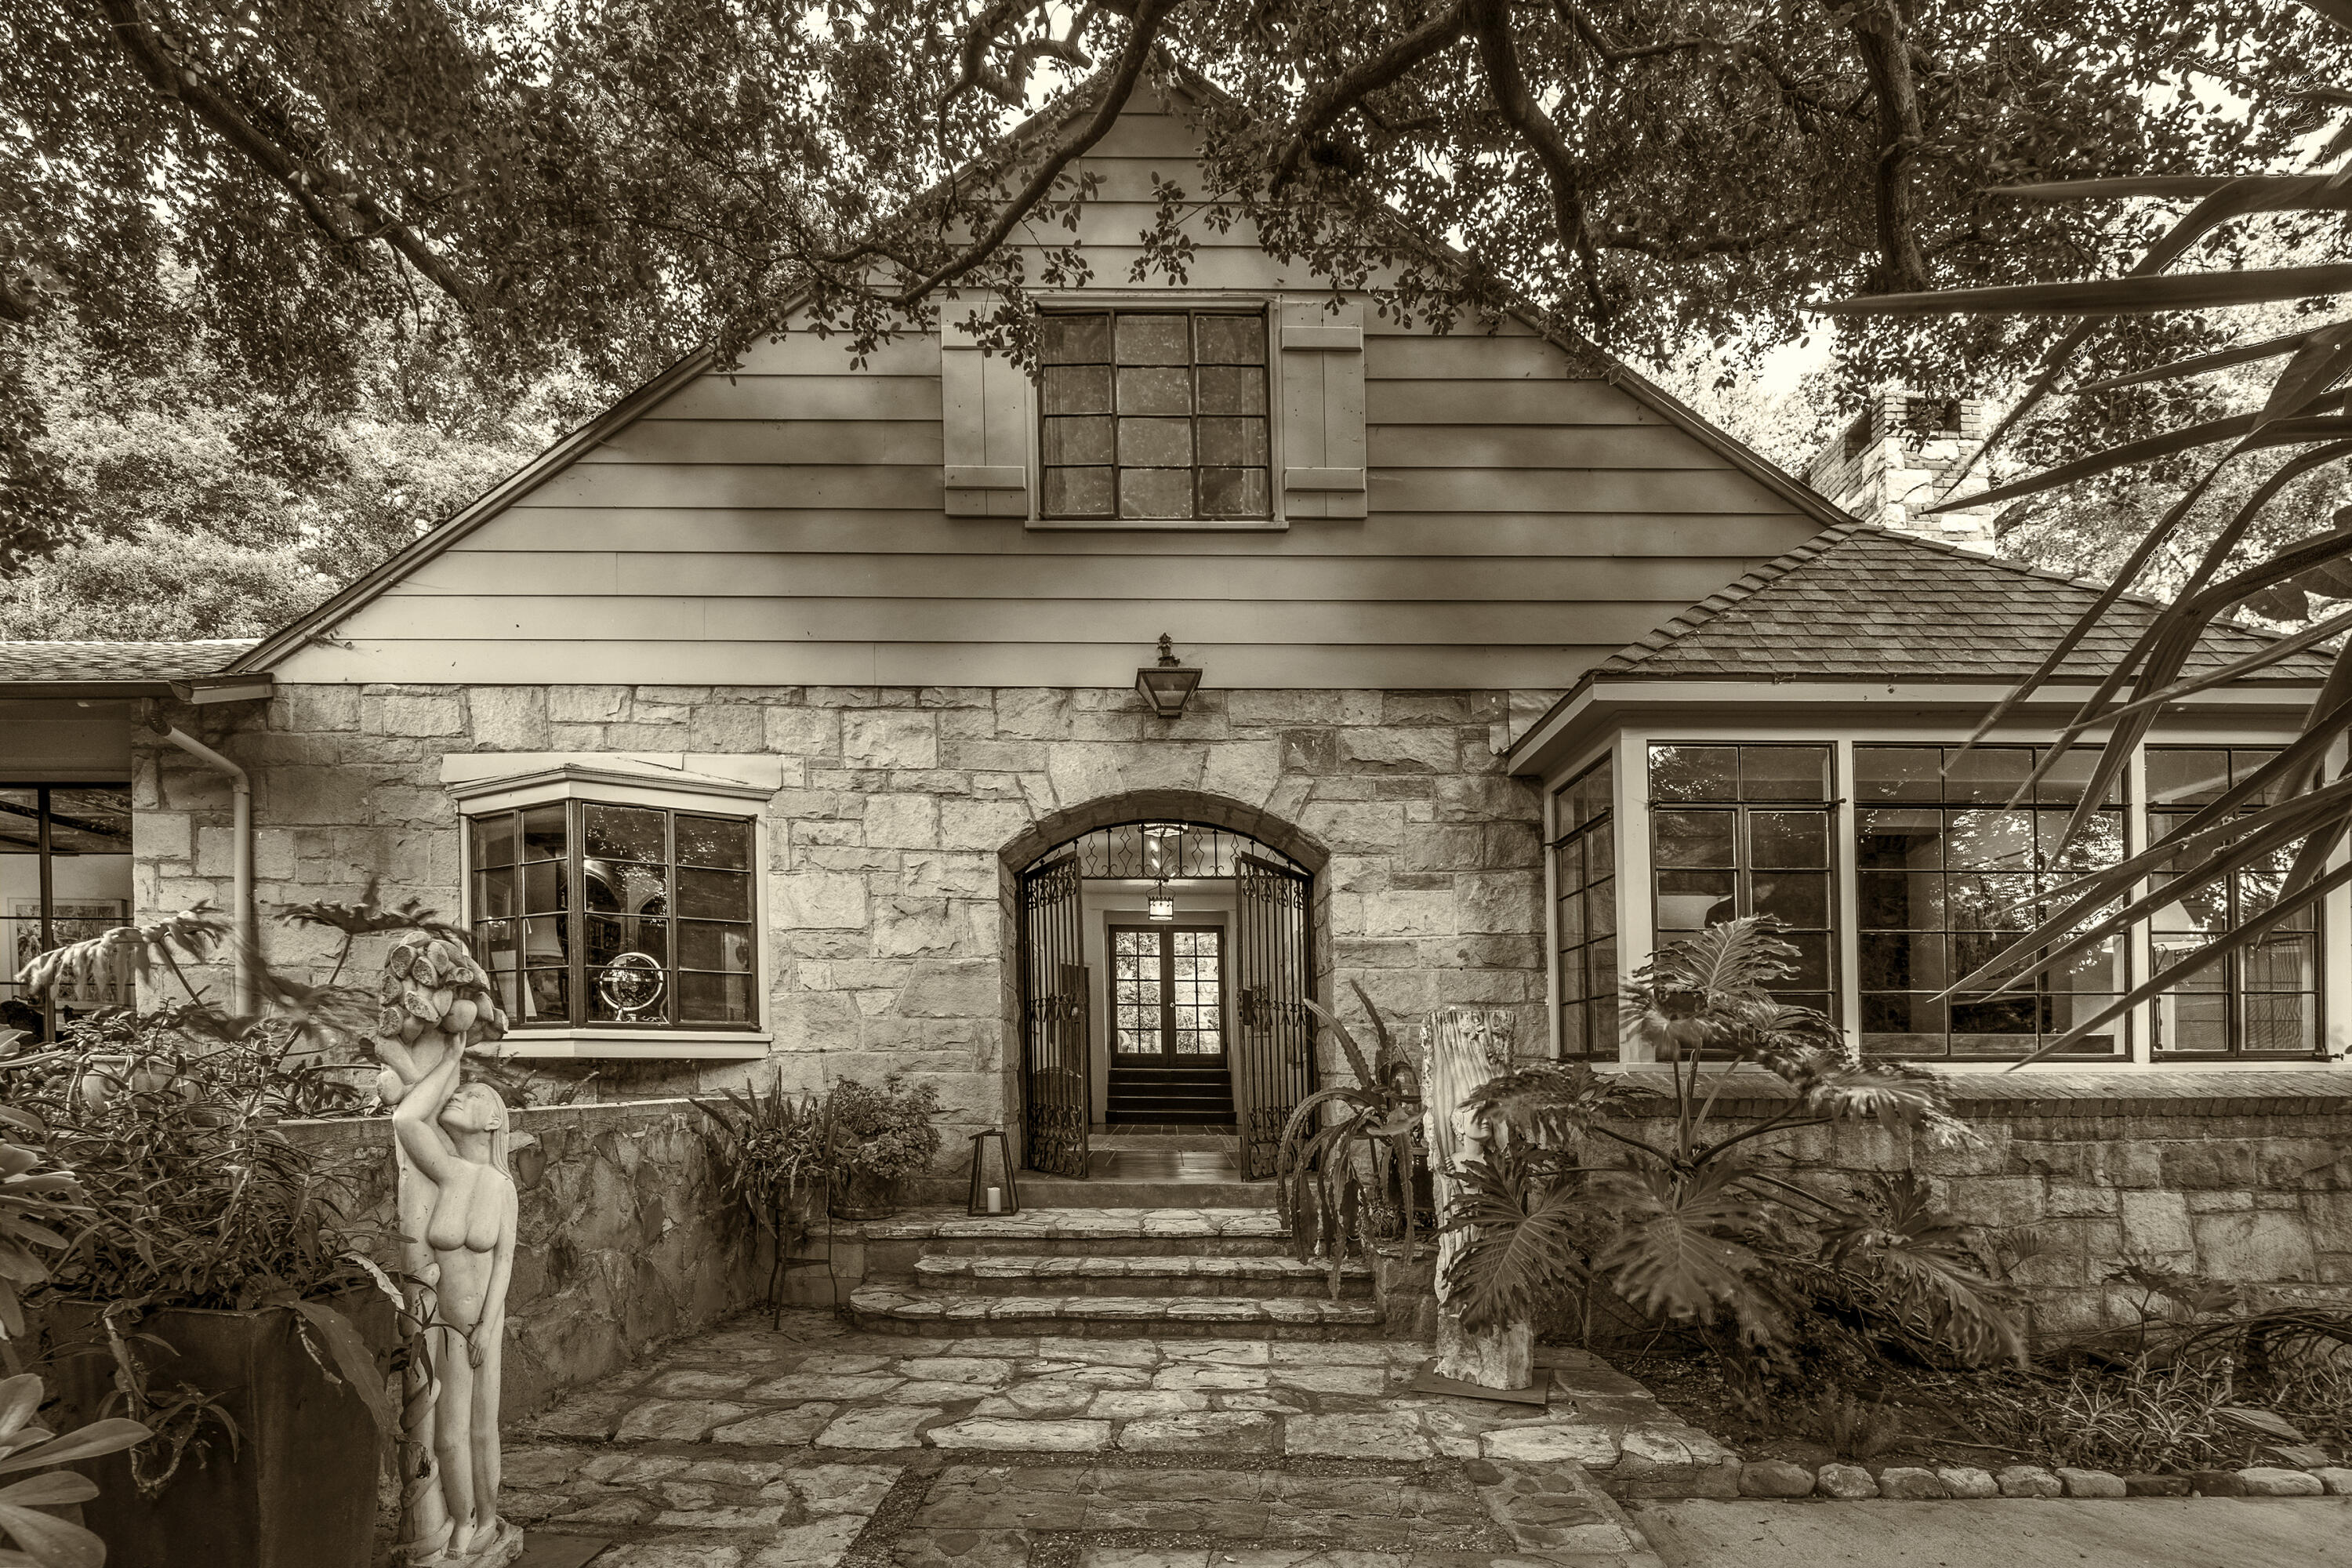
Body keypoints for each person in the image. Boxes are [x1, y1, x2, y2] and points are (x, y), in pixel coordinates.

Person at [390, 1039, 518, 1563]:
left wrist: (488, 1327)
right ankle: (462, 1521)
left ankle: (487, 1520)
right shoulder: (445, 1173)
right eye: (460, 1093)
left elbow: (505, 1262)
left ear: (494, 1123)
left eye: (476, 1095)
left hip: (480, 1327)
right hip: (441, 1327)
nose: (463, 1096)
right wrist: (451, 1057)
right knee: (447, 1438)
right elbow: (406, 1119)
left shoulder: (501, 1186)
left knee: (482, 1431)